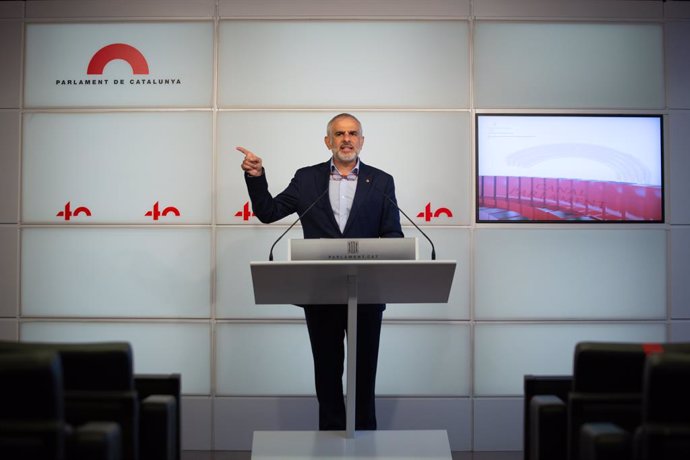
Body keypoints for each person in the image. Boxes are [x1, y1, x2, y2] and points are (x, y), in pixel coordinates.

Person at [237, 113, 403, 431]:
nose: (346, 139)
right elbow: (268, 213)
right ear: (328, 141)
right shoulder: (307, 179)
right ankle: (330, 439)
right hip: (320, 294)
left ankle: (365, 441)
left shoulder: (382, 181)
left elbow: (392, 233)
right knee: (327, 376)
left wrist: (385, 258)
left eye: (353, 133)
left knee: (364, 376)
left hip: (367, 296)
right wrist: (256, 176)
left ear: (362, 140)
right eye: (339, 133)